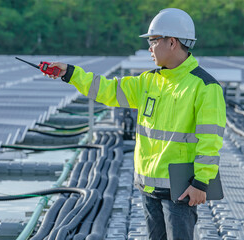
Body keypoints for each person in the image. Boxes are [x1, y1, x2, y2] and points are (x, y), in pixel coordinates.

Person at [43, 8, 226, 240]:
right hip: (148, 187)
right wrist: (69, 73)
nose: (149, 48)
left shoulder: (204, 87)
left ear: (172, 42)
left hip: (181, 189)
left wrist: (201, 183)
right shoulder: (148, 81)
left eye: (153, 41)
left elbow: (210, 140)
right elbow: (107, 90)